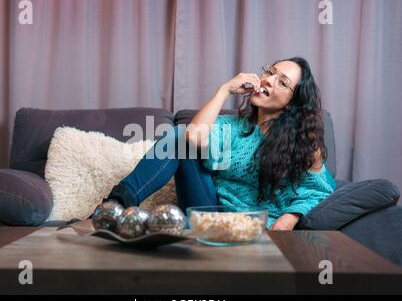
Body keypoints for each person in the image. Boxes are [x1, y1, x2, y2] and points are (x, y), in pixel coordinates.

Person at [97, 57, 336, 230]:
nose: (269, 80)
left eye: (282, 82)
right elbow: (192, 138)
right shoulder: (231, 127)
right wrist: (224, 90)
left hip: (254, 228)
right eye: (270, 72)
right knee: (181, 134)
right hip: (208, 213)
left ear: (293, 102)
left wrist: (290, 218)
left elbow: (318, 189)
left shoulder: (304, 143)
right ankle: (112, 208)